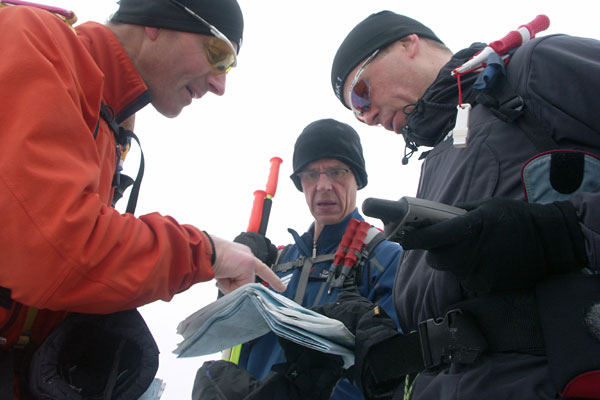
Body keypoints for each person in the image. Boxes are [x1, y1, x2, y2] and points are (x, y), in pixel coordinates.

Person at [0, 1, 284, 398]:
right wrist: (205, 252)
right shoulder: (29, 37)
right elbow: (51, 249)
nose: (221, 84)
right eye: (219, 54)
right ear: (156, 21)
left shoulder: (108, 120)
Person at [325, 10, 600, 400]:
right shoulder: (440, 159)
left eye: (361, 92)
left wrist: (564, 232)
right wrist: (379, 339)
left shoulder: (533, 70)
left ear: (409, 44)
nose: (365, 116)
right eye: (356, 110)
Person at [191, 118, 403, 400]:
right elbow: (231, 341)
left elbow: (391, 370)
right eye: (311, 175)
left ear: (357, 178)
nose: (324, 185)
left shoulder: (384, 257)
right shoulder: (273, 263)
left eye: (337, 172)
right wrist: (229, 290)